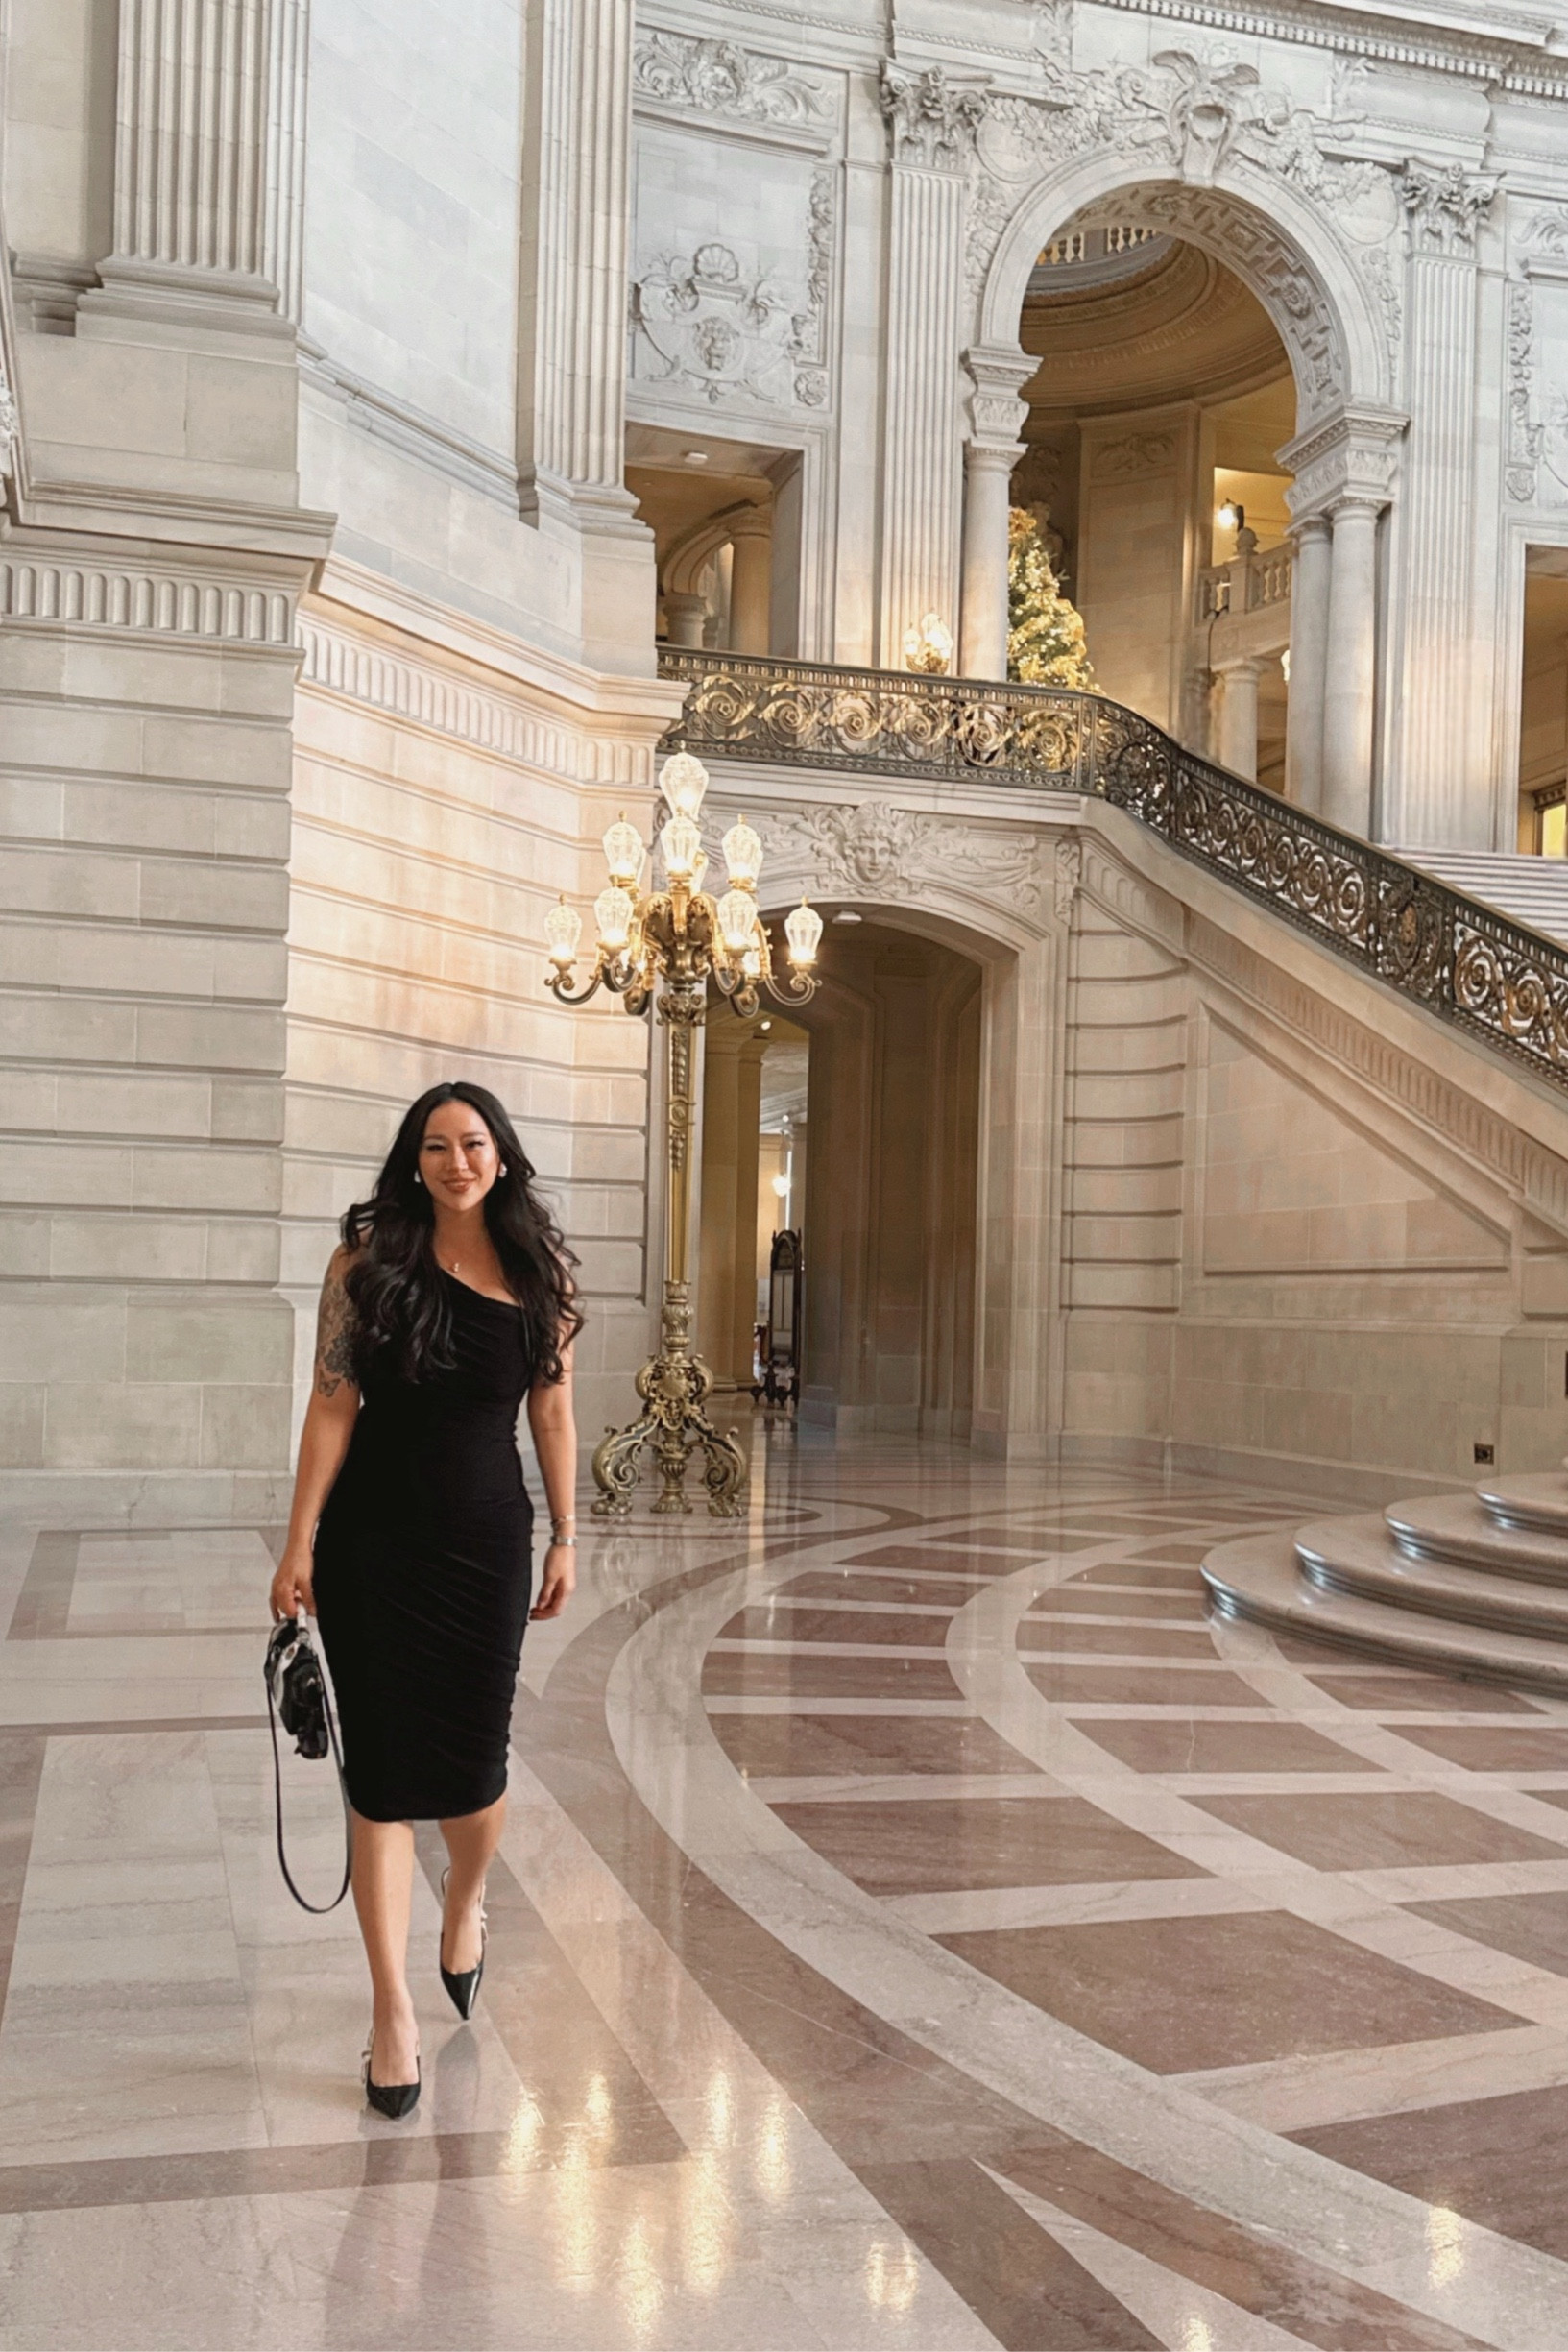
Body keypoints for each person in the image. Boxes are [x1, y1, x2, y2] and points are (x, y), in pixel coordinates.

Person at [269, 1080, 581, 2118]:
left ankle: (470, 1897)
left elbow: (552, 1411)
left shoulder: (538, 1272)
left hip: (486, 1547)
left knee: (474, 1779)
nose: (457, 1161)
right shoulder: (365, 1263)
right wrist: (299, 1539)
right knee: (381, 1779)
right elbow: (330, 1404)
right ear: (415, 1159)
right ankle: (390, 2009)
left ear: (501, 1155)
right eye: (438, 1145)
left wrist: (571, 1533)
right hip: (371, 1550)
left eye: (474, 1143)